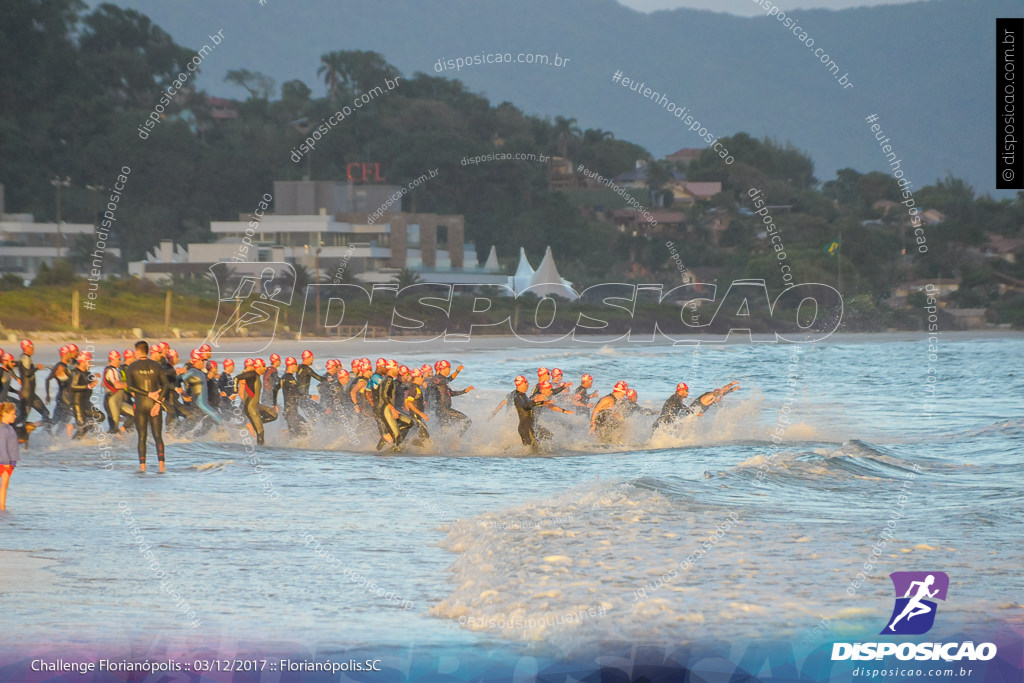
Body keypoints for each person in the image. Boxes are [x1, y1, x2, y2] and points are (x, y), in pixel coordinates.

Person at [124, 340, 171, 472]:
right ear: (148, 351)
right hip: (154, 405)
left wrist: (147, 394)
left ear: (138, 351)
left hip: (140, 404)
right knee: (158, 436)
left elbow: (130, 387)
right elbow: (166, 385)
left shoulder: (132, 367)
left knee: (142, 437)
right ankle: (162, 467)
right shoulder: (156, 366)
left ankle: (142, 468)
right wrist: (158, 402)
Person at [508, 375, 572, 451]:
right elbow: (525, 405)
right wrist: (539, 402)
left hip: (532, 425)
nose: (528, 384)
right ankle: (510, 451)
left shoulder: (523, 394)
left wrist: (563, 387)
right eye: (526, 383)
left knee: (548, 436)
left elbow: (552, 392)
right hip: (526, 427)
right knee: (533, 450)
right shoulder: (522, 396)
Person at [234, 358, 278, 445]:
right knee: (260, 433)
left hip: (256, 405)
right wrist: (235, 391)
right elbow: (236, 378)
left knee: (274, 415)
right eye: (264, 366)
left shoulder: (256, 376)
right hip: (251, 408)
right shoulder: (251, 374)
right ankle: (261, 453)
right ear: (258, 367)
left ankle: (252, 423)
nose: (265, 368)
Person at [427, 360, 474, 436]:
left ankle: (446, 445)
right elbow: (442, 380)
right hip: (444, 410)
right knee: (467, 421)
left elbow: (451, 393)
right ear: (443, 368)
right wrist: (457, 372)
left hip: (441, 411)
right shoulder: (438, 379)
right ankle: (456, 440)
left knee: (445, 432)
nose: (450, 369)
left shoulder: (443, 381)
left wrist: (464, 391)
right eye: (449, 367)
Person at [181, 349, 222, 435]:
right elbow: (183, 381)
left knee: (197, 422)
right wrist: (183, 393)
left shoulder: (198, 371)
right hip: (197, 402)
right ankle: (177, 435)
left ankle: (191, 437)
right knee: (195, 421)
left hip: (202, 402)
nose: (203, 362)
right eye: (202, 360)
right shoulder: (191, 370)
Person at [69, 352, 103, 439]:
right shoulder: (76, 373)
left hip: (86, 403)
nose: (91, 364)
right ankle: (72, 444)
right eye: (89, 362)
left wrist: (94, 377)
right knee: (82, 426)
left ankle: (77, 433)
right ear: (83, 362)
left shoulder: (87, 373)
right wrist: (88, 386)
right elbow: (73, 386)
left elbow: (86, 379)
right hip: (77, 404)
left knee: (100, 417)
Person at [16, 339, 50, 426]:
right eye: (31, 347)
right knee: (22, 418)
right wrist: (37, 368)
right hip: (27, 395)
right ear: (26, 348)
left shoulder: (26, 358)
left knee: (45, 413)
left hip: (31, 394)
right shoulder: (25, 358)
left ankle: (39, 430)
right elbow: (26, 373)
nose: (33, 349)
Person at [102, 350, 134, 433]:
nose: (120, 361)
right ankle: (104, 442)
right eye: (119, 359)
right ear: (113, 359)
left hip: (118, 401)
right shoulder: (112, 371)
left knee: (136, 414)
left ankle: (121, 433)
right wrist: (131, 384)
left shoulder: (114, 370)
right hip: (112, 401)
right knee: (114, 428)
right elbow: (117, 385)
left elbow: (103, 384)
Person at [0, 402, 19, 510]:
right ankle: (2, 507)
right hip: (4, 463)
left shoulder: (8, 428)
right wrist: (6, 462)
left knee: (4, 486)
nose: (15, 416)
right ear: (5, 414)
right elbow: (2, 446)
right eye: (13, 414)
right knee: (4, 487)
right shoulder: (3, 429)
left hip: (8, 462)